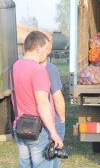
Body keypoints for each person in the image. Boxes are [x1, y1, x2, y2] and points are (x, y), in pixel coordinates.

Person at [11, 30, 63, 168]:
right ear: (38, 48)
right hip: (38, 131)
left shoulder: (15, 66)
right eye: (46, 49)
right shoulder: (39, 71)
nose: (48, 52)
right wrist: (53, 133)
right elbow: (43, 104)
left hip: (20, 127)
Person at [42, 32, 66, 168]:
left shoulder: (20, 66)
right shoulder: (50, 68)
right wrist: (62, 120)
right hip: (52, 121)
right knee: (52, 160)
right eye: (48, 41)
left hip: (30, 123)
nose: (50, 44)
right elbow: (57, 98)